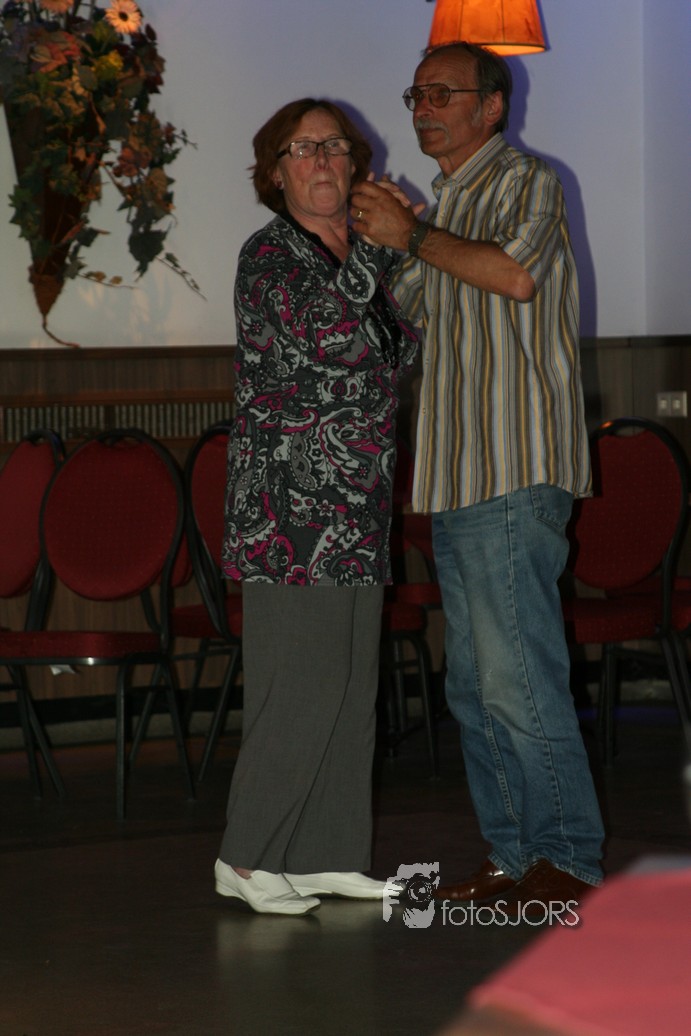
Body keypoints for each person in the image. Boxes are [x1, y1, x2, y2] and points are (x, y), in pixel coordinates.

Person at [350, 42, 605, 918]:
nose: (422, 107)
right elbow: (409, 315)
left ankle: (566, 859)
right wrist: (381, 240)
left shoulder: (527, 179)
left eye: (441, 93)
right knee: (471, 685)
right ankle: (512, 856)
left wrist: (412, 235)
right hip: (455, 473)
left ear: (490, 107)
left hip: (514, 465)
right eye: (415, 94)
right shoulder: (446, 206)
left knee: (516, 675)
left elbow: (515, 275)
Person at [214, 98, 417, 915]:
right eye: (302, 149)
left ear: (355, 163)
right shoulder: (270, 255)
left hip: (357, 504)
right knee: (297, 687)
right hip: (289, 513)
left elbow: (394, 348)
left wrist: (389, 249)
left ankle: (327, 852)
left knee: (347, 686)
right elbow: (333, 339)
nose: (322, 160)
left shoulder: (357, 256)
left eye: (334, 145)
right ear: (276, 174)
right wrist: (383, 246)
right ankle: (247, 857)